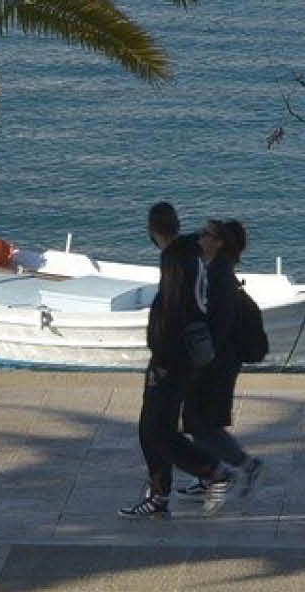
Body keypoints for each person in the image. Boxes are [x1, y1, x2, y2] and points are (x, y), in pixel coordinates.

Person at [121, 201, 242, 519]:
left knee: (156, 430)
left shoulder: (175, 261)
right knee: (155, 428)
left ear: (151, 231)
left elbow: (173, 314)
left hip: (170, 359)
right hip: (186, 356)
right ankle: (163, 492)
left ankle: (211, 472)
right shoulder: (189, 252)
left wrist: (160, 353)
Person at [180, 219, 260, 490]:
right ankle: (209, 477)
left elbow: (217, 324)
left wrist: (201, 358)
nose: (199, 238)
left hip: (216, 361)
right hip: (216, 358)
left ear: (219, 242)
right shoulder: (215, 271)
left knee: (202, 422)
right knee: (200, 420)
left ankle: (243, 465)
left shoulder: (219, 277)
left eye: (206, 234)